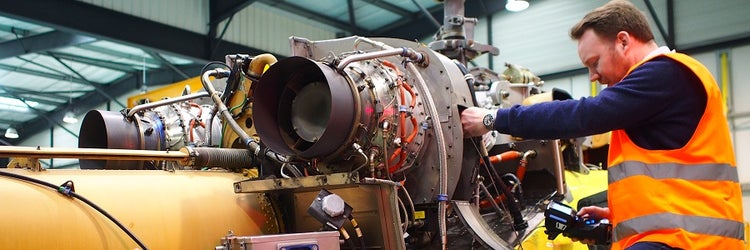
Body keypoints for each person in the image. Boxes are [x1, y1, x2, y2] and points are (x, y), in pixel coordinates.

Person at [460, 0, 744, 249]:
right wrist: (615, 218)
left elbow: (584, 114)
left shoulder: (665, 73)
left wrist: (493, 118)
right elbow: (671, 185)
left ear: (623, 41)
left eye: (594, 62)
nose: (593, 76)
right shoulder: (661, 86)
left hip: (683, 242)